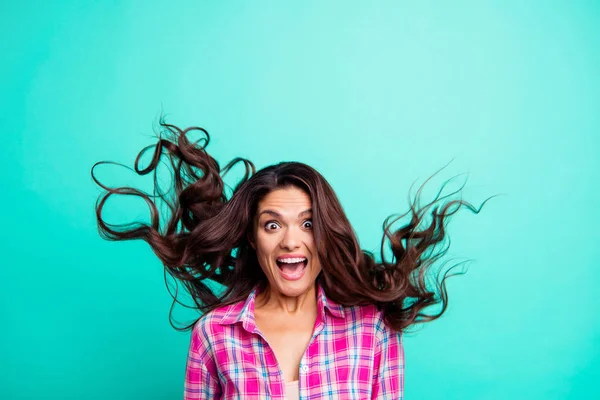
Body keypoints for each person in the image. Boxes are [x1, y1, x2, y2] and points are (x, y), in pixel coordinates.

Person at [92, 121, 491, 399]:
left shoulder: (373, 328)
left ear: (325, 235)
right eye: (272, 226)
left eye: (308, 223)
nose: (291, 242)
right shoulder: (215, 334)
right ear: (251, 236)